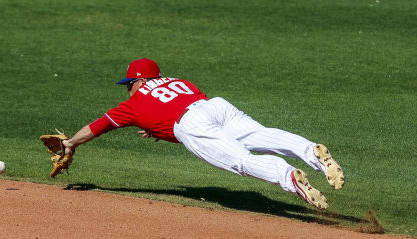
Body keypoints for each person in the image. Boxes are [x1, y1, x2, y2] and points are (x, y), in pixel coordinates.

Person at [61, 58, 344, 210]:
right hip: (214, 107)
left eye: (130, 83)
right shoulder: (179, 81)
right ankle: (312, 153)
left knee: (240, 160)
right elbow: (177, 108)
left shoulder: (133, 104)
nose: (128, 89)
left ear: (142, 80)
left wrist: (70, 143)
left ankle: (288, 178)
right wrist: (159, 127)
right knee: (260, 135)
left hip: (191, 123)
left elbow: (96, 127)